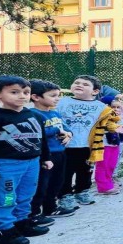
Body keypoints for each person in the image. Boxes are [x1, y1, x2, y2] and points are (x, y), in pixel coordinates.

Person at [0, 75, 53, 244]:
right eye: (14, 92)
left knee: (26, 194)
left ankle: (21, 222)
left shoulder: (35, 116)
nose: (22, 96)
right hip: (6, 165)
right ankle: (5, 230)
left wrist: (46, 158)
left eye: (26, 92)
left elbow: (43, 140)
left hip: (32, 164)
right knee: (6, 197)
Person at [57, 75, 122, 207]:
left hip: (89, 146)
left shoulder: (101, 107)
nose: (79, 85)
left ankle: (82, 191)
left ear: (95, 91)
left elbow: (110, 120)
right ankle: (65, 195)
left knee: (85, 170)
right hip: (66, 146)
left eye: (85, 84)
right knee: (66, 172)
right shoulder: (62, 102)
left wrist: (115, 128)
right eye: (77, 82)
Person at [29, 80, 77, 221]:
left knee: (57, 182)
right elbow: (38, 132)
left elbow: (66, 128)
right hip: (45, 155)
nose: (57, 98)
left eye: (58, 95)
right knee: (41, 185)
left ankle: (51, 208)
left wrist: (68, 134)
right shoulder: (32, 114)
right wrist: (56, 130)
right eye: (53, 95)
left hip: (60, 153)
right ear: (36, 97)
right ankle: (35, 213)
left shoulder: (55, 114)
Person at [94, 96, 123, 194]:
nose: (115, 109)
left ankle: (109, 182)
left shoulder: (119, 118)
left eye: (117, 107)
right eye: (112, 107)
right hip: (103, 143)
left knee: (111, 164)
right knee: (103, 165)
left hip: (114, 143)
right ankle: (103, 186)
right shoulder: (101, 117)